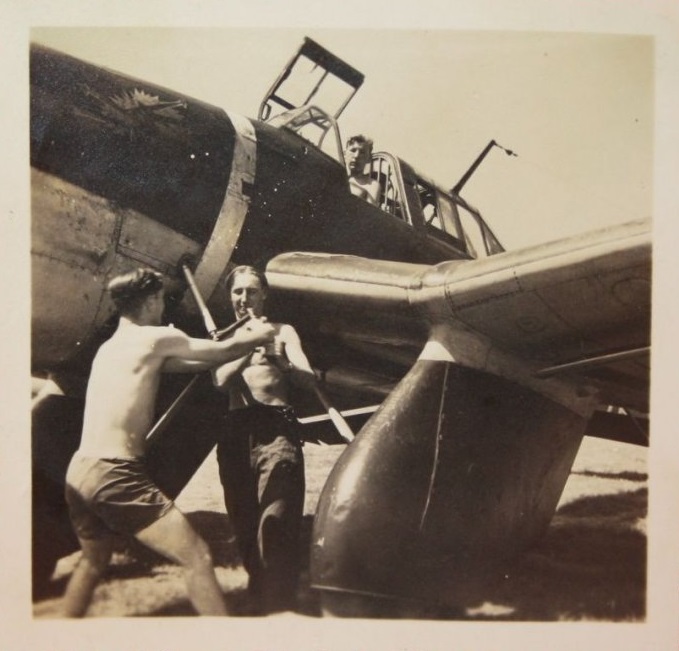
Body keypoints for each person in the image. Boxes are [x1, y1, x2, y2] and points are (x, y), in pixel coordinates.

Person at [61, 268, 275, 617]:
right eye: (161, 299)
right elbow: (221, 351)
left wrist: (229, 348)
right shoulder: (156, 337)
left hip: (80, 471)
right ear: (149, 301)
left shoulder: (110, 348)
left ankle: (61, 629)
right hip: (116, 474)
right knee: (198, 556)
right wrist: (258, 336)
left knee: (93, 562)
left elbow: (190, 364)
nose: (163, 307)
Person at [211, 265, 317, 614]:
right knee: (243, 524)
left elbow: (308, 379)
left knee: (277, 520)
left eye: (251, 291)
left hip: (276, 430)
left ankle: (281, 605)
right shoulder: (224, 337)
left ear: (264, 294)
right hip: (236, 433)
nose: (244, 299)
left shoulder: (283, 331)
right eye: (237, 292)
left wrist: (282, 361)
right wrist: (249, 344)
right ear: (230, 297)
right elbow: (220, 381)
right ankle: (262, 597)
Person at [344, 134, 381, 205]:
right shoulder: (336, 177)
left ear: (369, 158)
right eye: (353, 150)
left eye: (362, 152)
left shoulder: (372, 185)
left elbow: (369, 211)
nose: (356, 156)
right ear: (345, 154)